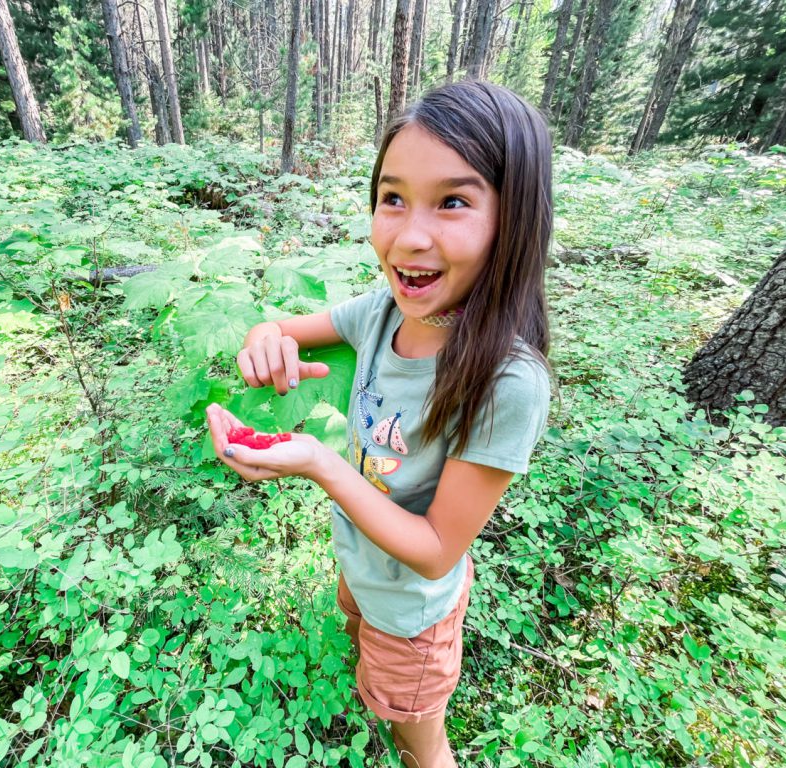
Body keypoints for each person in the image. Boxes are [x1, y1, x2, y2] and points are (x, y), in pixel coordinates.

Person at [205, 80, 552, 768]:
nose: (409, 234)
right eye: (393, 198)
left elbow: (433, 550)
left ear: (513, 219)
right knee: (362, 647)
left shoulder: (507, 382)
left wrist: (319, 463)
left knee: (416, 736)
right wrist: (263, 338)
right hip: (364, 566)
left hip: (413, 609)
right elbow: (281, 327)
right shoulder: (381, 313)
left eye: (453, 201)